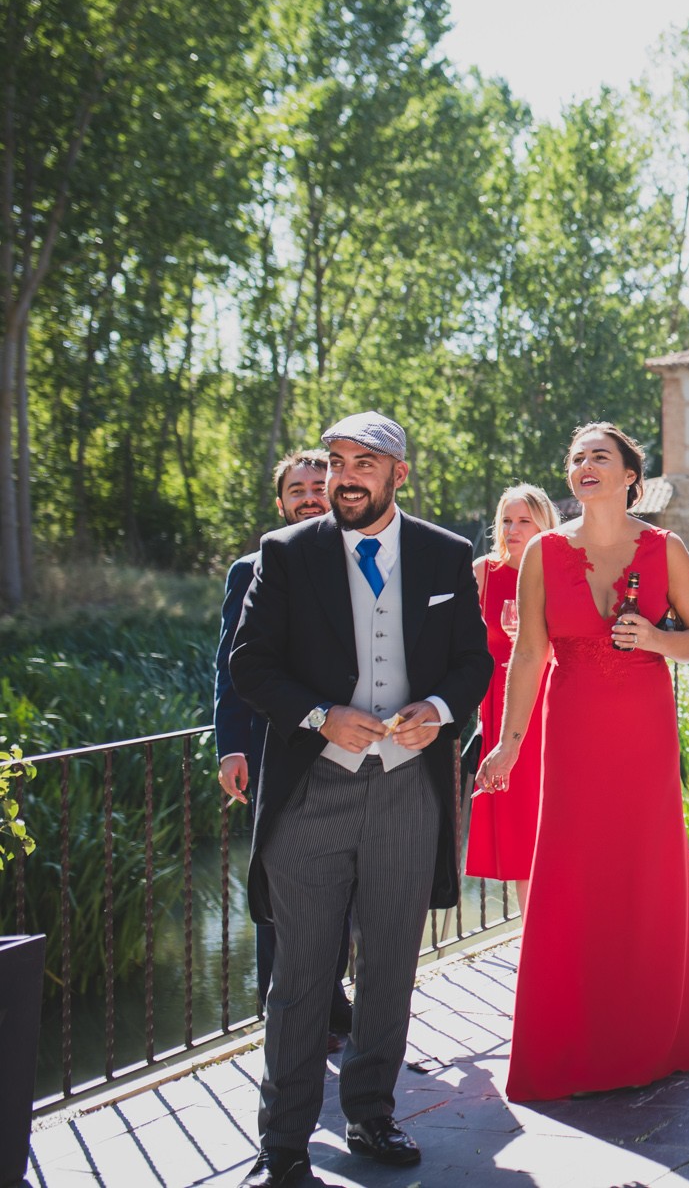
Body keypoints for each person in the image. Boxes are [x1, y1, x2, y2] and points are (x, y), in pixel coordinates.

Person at [228, 412, 492, 1187]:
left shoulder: (445, 553)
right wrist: (319, 715)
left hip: (409, 787)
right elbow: (250, 664)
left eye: (364, 462)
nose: (345, 476)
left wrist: (437, 710)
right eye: (338, 460)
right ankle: (282, 1142)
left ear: (398, 474)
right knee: (301, 973)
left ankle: (372, 1112)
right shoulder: (286, 553)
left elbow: (473, 663)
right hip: (314, 788)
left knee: (390, 963)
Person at [475, 422, 689, 1100]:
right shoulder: (543, 551)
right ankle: (568, 1042)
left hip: (643, 733)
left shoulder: (666, 548)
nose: (585, 465)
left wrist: (658, 640)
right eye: (577, 456)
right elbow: (529, 654)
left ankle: (656, 1034)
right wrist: (508, 744)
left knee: (644, 869)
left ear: (629, 476)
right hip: (573, 732)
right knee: (573, 871)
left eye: (599, 456)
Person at [214, 449, 353, 1047]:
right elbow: (232, 666)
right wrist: (230, 748)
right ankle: (286, 1014)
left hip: (347, 749)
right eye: (297, 490)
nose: (309, 498)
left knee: (342, 883)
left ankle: (330, 999)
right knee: (280, 886)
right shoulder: (251, 569)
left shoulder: (362, 561)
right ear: (281, 502)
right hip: (273, 750)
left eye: (319, 487)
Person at [464, 483, 558, 911]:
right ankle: (531, 936)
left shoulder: (560, 571)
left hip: (550, 709)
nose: (513, 529)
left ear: (543, 525)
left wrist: (539, 642)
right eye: (506, 520)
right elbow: (458, 644)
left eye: (524, 521)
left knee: (555, 827)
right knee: (520, 833)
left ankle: (568, 932)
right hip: (503, 713)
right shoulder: (483, 573)